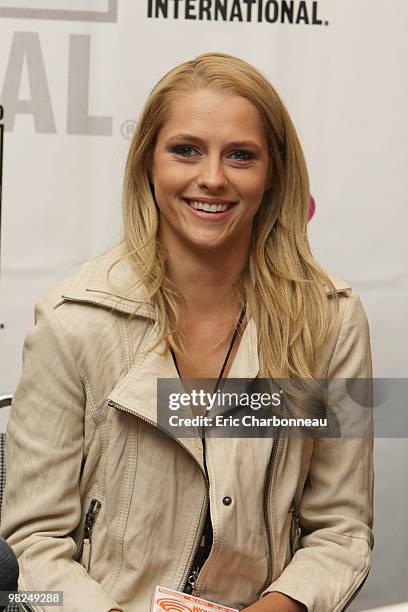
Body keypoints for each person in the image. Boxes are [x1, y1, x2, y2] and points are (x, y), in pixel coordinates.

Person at [0, 52, 373, 612]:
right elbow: (32, 546)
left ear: (273, 173)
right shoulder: (71, 320)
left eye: (241, 155)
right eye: (186, 150)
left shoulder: (330, 319)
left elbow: (340, 532)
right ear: (148, 163)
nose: (213, 178)